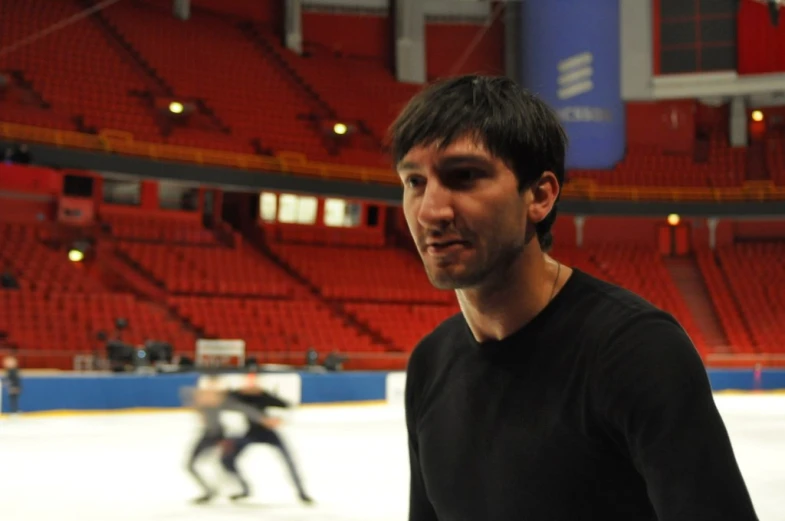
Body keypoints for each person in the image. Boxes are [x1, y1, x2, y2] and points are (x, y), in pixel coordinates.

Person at [389, 74, 758, 521]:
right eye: (414, 182)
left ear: (540, 196)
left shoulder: (638, 353)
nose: (430, 210)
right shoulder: (430, 364)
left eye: (464, 177)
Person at [180, 375, 271, 504]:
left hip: (219, 435)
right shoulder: (200, 398)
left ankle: (244, 488)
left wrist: (263, 419)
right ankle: (209, 491)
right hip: (207, 435)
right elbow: (188, 395)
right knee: (190, 465)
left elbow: (245, 409)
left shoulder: (222, 401)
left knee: (225, 463)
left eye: (214, 389)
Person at [220, 379, 313, 505]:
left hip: (268, 434)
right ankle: (245, 489)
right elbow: (223, 400)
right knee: (227, 459)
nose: (251, 388)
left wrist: (278, 419)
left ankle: (302, 492)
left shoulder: (263, 396)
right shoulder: (240, 395)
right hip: (251, 433)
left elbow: (285, 405)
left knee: (289, 460)